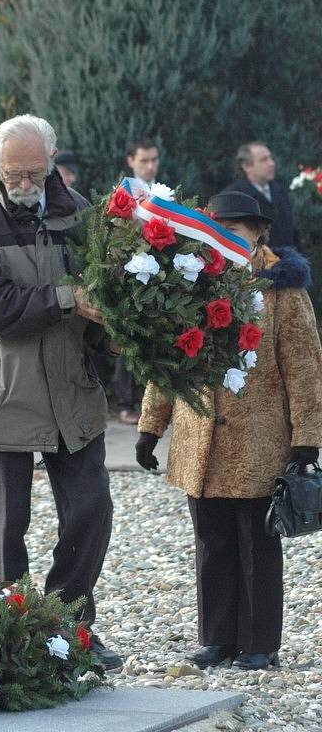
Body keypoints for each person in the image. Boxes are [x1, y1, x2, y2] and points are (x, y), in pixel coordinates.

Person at [0, 114, 122, 670]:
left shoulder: (79, 213)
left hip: (71, 393)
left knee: (92, 511)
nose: (22, 182)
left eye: (33, 173)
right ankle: (11, 639)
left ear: (52, 163)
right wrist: (68, 299)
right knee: (2, 529)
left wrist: (113, 332)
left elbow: (105, 291)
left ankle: (69, 628)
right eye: (11, 172)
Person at [136, 191, 322, 670]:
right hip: (199, 441)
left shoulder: (283, 290)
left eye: (236, 230)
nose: (225, 238)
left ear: (260, 232)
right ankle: (217, 639)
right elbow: (168, 359)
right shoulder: (190, 282)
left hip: (259, 441)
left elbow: (305, 366)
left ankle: (259, 643)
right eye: (218, 228)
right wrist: (150, 428)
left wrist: (307, 438)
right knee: (211, 542)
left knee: (257, 543)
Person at [115, 137, 161, 423]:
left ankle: (155, 405)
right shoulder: (125, 192)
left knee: (156, 338)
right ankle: (125, 402)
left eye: (154, 159)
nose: (150, 165)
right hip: (129, 270)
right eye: (144, 160)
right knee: (126, 340)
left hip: (159, 271)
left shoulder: (163, 192)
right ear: (131, 161)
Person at [224, 141, 300, 248]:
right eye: (264, 160)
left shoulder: (280, 192)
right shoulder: (233, 197)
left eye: (271, 158)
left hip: (288, 262)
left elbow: (293, 233)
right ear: (246, 166)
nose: (272, 163)